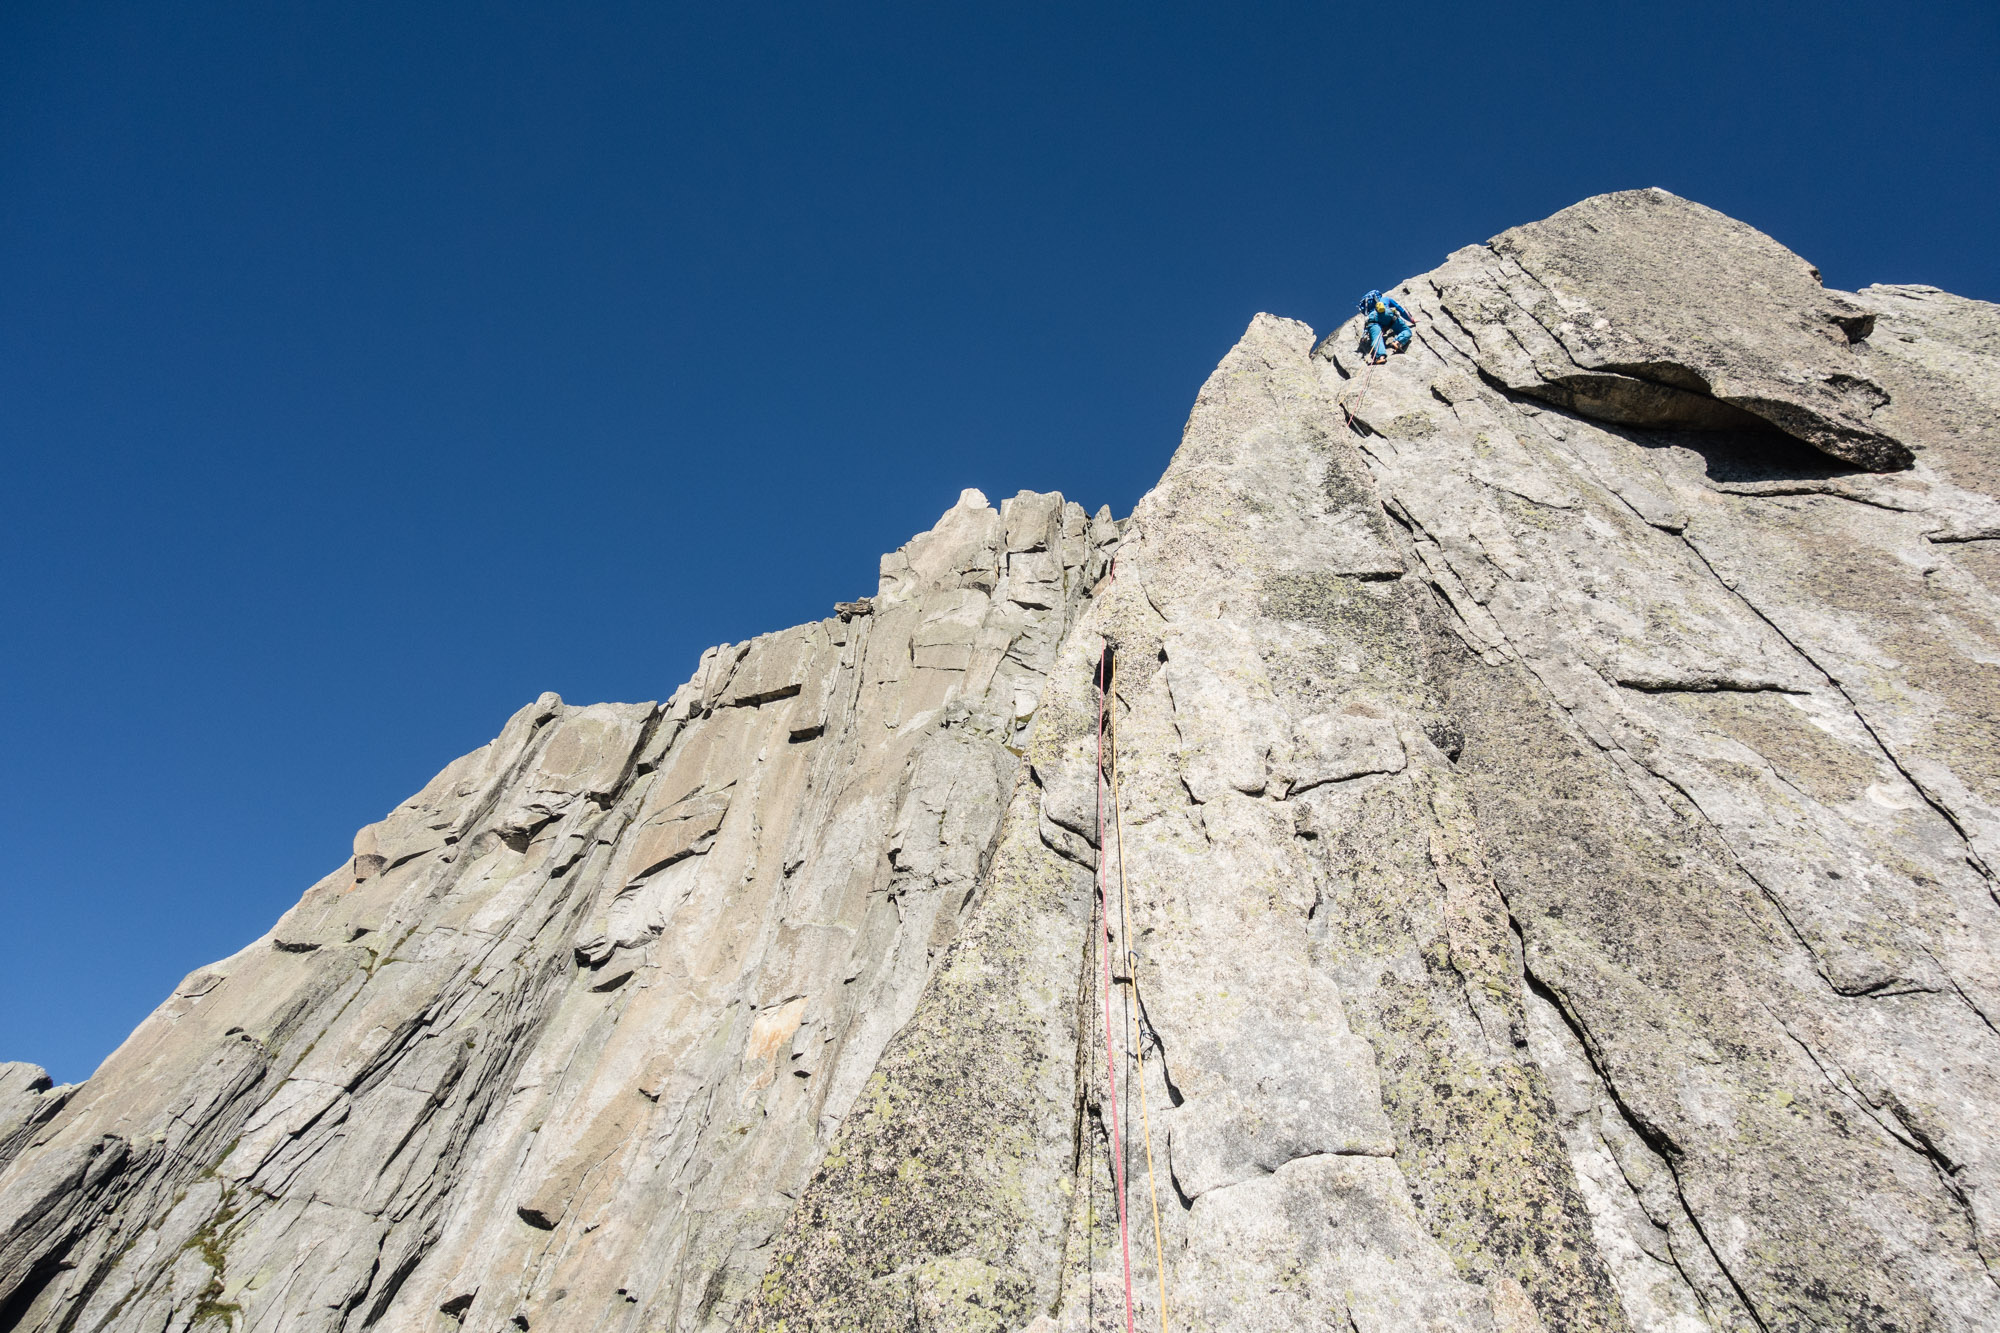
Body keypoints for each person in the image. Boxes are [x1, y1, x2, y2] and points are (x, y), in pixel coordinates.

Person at [1358, 290, 1415, 364]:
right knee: (1406, 330)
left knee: (1376, 339)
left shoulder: (1369, 310)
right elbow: (1401, 310)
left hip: (1373, 319)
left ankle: (1381, 357)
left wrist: (1364, 335)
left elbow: (1367, 325)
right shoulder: (1386, 299)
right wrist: (1412, 320)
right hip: (1386, 314)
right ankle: (1398, 342)